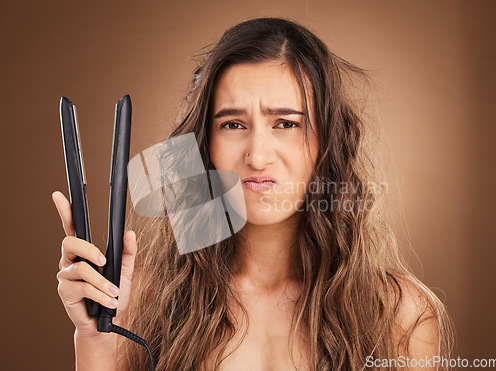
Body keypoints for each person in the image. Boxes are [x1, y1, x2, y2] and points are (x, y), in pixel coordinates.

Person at [53, 17, 453, 370]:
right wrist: (96, 340)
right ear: (202, 145)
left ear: (328, 141)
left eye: (286, 123)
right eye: (232, 124)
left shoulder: (400, 313)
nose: (258, 156)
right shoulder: (135, 301)